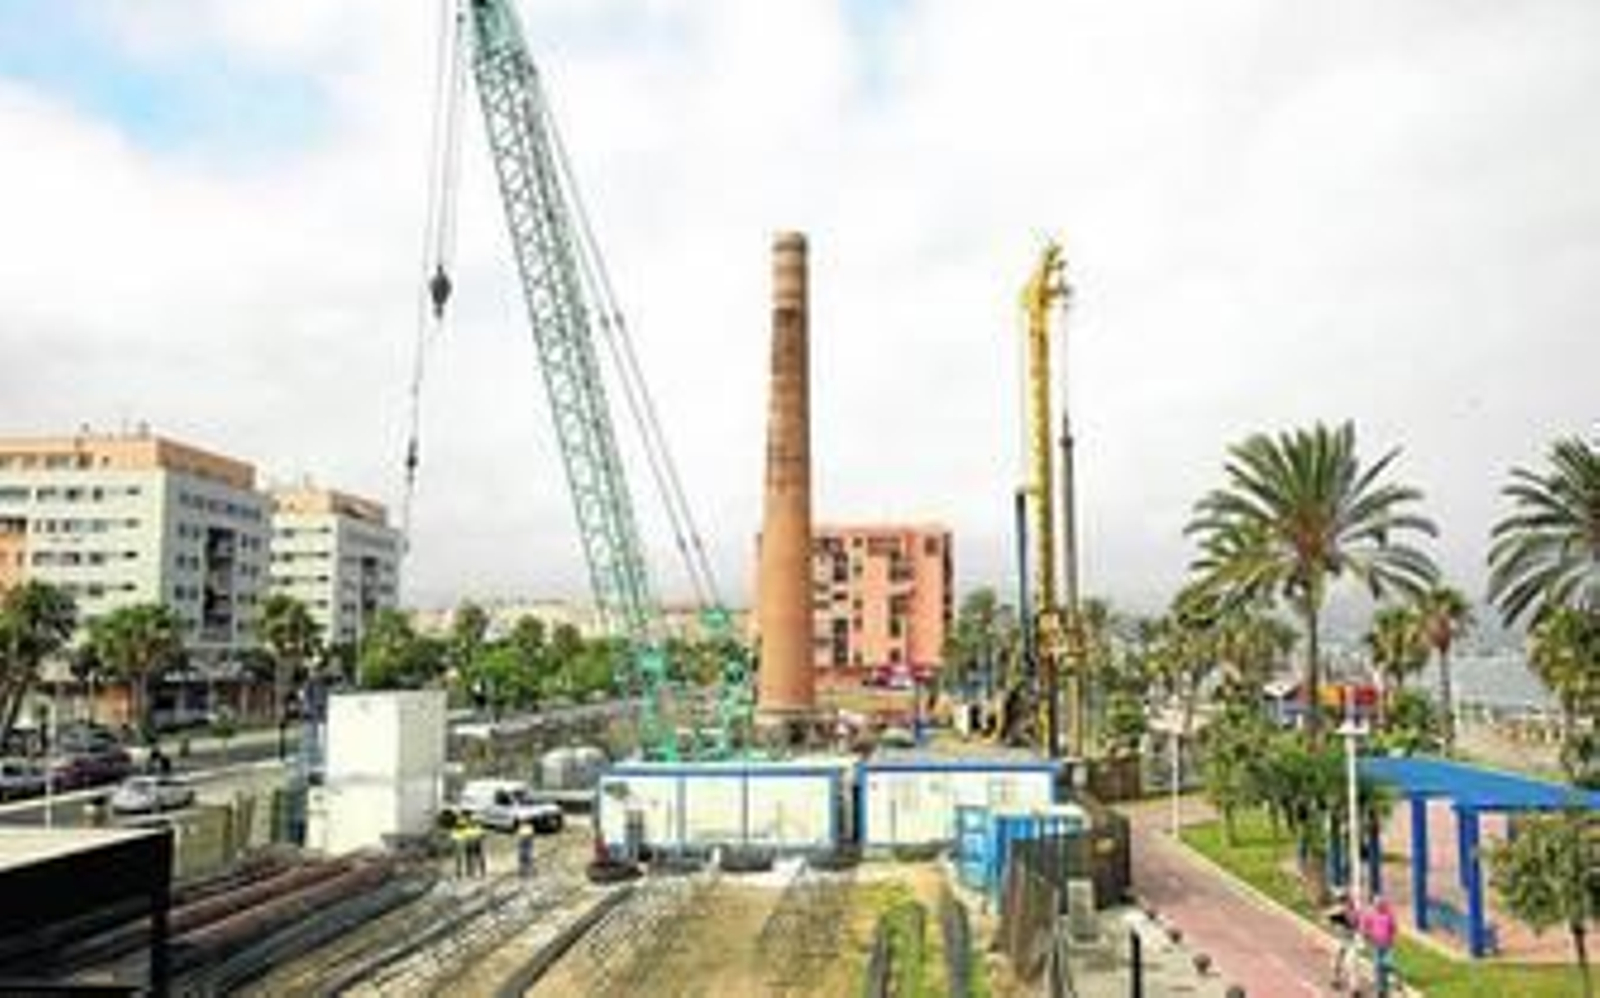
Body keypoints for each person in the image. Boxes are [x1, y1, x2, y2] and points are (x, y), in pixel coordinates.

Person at [1360, 894, 1398, 996]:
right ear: (1373, 904)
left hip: (1387, 944)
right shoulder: (1370, 914)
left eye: (1381, 903)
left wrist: (1393, 939)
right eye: (1377, 903)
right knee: (1378, 966)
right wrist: (1367, 936)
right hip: (1376, 944)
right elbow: (1364, 927)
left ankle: (1391, 982)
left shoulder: (1389, 914)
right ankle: (1380, 989)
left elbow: (1393, 928)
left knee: (1388, 964)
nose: (1379, 905)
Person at [1326, 888, 1360, 992]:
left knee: (1351, 963)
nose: (1343, 902)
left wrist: (1347, 914)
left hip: (1350, 941)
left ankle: (1354, 988)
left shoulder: (1353, 911)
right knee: (1336, 961)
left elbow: (1355, 923)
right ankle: (1335, 979)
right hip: (1339, 940)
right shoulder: (1335, 912)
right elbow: (1329, 922)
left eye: (1344, 899)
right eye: (1341, 900)